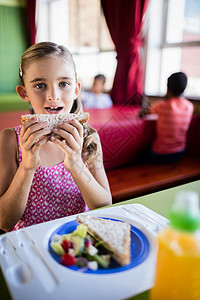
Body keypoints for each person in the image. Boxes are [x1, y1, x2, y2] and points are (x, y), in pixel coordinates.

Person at [0, 42, 112, 232]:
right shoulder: (10, 140)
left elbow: (104, 206)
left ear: (76, 89)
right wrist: (27, 166)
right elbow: (4, 221)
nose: (53, 95)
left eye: (64, 84)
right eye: (40, 85)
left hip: (78, 242)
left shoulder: (88, 138)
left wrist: (76, 164)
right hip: (30, 245)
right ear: (24, 92)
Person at [139, 72, 194, 163]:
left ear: (168, 88)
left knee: (139, 159)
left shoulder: (162, 105)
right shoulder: (189, 106)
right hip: (180, 152)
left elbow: (142, 113)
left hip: (161, 153)